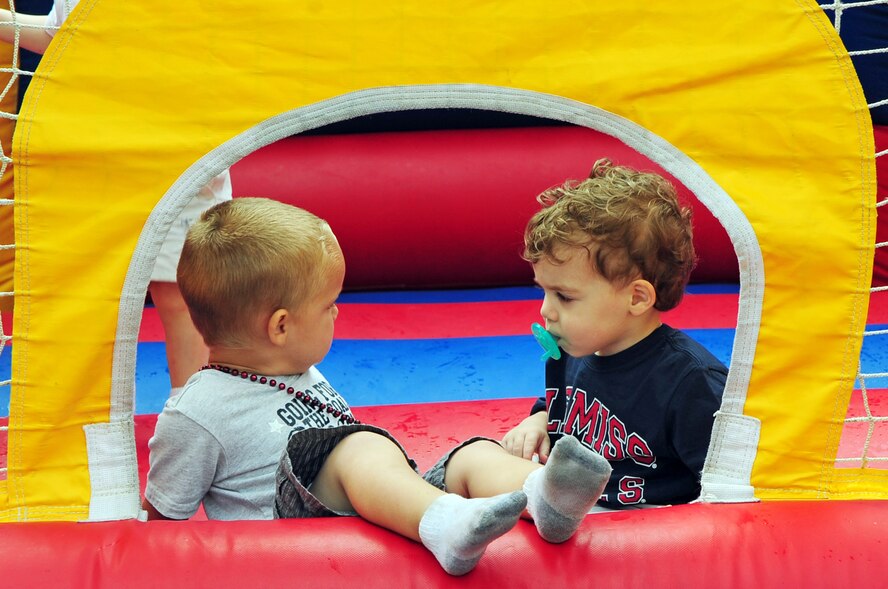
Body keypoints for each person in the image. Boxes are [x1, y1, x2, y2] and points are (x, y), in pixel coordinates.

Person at [142, 197, 613, 576]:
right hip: (297, 545)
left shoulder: (294, 366)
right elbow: (161, 527)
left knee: (473, 455)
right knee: (353, 447)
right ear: (280, 326)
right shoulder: (196, 413)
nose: (337, 313)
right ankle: (445, 523)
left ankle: (542, 497)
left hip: (373, 506)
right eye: (328, 304)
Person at [0, 0, 230, 396]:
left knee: (182, 289)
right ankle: (87, 417)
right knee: (93, 293)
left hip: (178, 139)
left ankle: (189, 410)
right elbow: (63, 33)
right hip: (97, 144)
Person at [503, 159, 727, 509]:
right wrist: (538, 421)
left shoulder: (691, 382)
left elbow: (729, 490)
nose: (546, 310)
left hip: (642, 531)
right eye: (543, 292)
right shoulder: (571, 352)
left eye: (564, 296)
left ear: (636, 298)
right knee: (470, 458)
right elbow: (560, 408)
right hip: (570, 507)